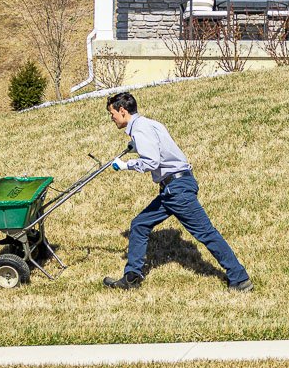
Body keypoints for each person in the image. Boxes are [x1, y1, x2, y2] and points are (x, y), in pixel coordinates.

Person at [102, 90, 252, 292]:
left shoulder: (140, 129)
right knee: (139, 224)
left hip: (176, 190)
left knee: (206, 233)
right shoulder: (150, 124)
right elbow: (162, 149)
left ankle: (240, 278)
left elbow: (151, 161)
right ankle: (131, 278)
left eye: (112, 114)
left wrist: (125, 165)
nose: (112, 118)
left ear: (122, 110)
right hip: (172, 188)